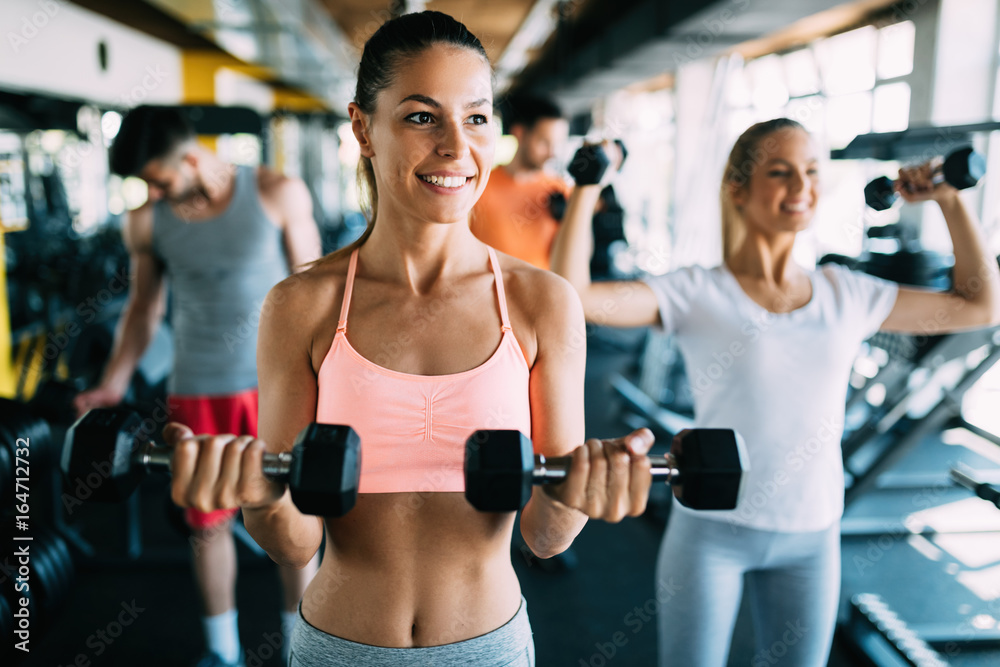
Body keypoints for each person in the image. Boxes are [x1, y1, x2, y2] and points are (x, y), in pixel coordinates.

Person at [158, 11, 660, 666]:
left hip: (489, 646)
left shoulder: (543, 303)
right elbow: (294, 543)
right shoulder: (301, 304)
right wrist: (259, 490)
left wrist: (584, 488)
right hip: (337, 644)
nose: (457, 146)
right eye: (423, 116)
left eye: (477, 117)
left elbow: (544, 536)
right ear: (363, 127)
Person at [550, 118, 1000, 666]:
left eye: (811, 171)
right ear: (739, 188)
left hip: (812, 533)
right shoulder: (696, 290)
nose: (802, 186)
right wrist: (588, 186)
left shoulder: (848, 292)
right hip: (711, 531)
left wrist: (949, 200)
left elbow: (978, 305)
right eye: (781, 172)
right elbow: (572, 295)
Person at [73, 105, 323, 667]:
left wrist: (328, 377)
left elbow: (313, 295)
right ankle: (222, 651)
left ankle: (300, 650)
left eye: (158, 179)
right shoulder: (147, 220)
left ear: (189, 157)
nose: (153, 191)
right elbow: (142, 309)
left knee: (292, 520)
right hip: (197, 392)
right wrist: (112, 384)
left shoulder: (276, 192)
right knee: (205, 525)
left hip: (276, 389)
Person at [470, 94, 570, 270]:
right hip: (492, 294)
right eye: (544, 142)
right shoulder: (479, 186)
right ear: (520, 133)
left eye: (557, 144)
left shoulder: (560, 189)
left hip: (543, 293)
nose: (552, 153)